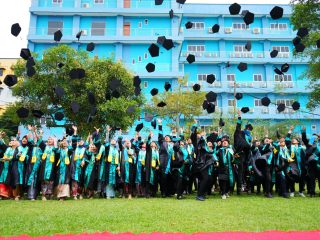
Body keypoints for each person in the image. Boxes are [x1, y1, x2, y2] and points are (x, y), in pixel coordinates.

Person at [234, 110, 252, 195]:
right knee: (239, 172)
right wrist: (239, 116)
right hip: (239, 155)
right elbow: (238, 125)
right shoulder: (238, 134)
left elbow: (249, 147)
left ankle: (245, 187)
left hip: (245, 156)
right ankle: (238, 189)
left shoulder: (245, 138)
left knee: (245, 171)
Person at [157, 119, 174, 198]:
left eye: (168, 137)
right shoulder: (162, 143)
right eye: (166, 137)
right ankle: (163, 192)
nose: (166, 138)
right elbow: (160, 136)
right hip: (163, 163)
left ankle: (169, 192)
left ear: (170, 139)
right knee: (163, 179)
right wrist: (160, 124)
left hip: (171, 164)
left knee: (170, 179)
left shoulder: (172, 146)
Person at [39, 136, 58, 200]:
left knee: (51, 181)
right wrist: (35, 132)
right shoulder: (45, 147)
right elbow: (40, 142)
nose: (49, 140)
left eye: (51, 139)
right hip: (44, 166)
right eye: (48, 139)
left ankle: (50, 194)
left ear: (54, 141)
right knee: (44, 180)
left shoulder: (55, 149)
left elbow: (57, 153)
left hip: (52, 167)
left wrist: (55, 143)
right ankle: (43, 195)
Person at [70, 126, 86, 200]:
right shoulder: (74, 148)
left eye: (81, 141)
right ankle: (74, 194)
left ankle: (80, 194)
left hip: (82, 167)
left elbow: (86, 156)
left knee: (81, 181)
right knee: (74, 181)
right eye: (79, 141)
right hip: (74, 167)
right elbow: (73, 140)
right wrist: (75, 131)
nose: (80, 142)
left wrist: (83, 160)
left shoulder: (84, 149)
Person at [0, 135, 15, 199]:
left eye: (12, 141)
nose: (11, 142)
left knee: (9, 180)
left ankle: (9, 195)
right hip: (4, 166)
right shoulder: (7, 148)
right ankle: (1, 195)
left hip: (11, 167)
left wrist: (9, 159)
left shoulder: (16, 149)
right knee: (2, 179)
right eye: (10, 142)